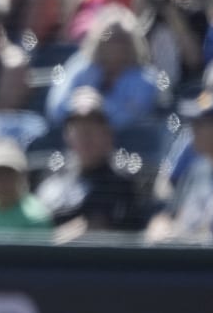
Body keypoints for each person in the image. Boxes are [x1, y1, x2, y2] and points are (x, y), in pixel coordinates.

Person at [35, 88, 147, 233]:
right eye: (78, 129)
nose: (85, 137)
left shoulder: (122, 182)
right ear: (67, 135)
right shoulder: (53, 174)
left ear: (108, 134)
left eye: (92, 129)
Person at [47, 4, 163, 131]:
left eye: (121, 39)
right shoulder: (80, 66)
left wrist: (101, 107)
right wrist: (80, 106)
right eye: (107, 38)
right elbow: (56, 109)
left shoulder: (145, 79)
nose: (115, 46)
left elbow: (133, 118)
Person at [146, 91, 213, 243]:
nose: (193, 129)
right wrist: (160, 229)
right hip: (186, 260)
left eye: (200, 123)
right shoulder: (197, 170)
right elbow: (167, 215)